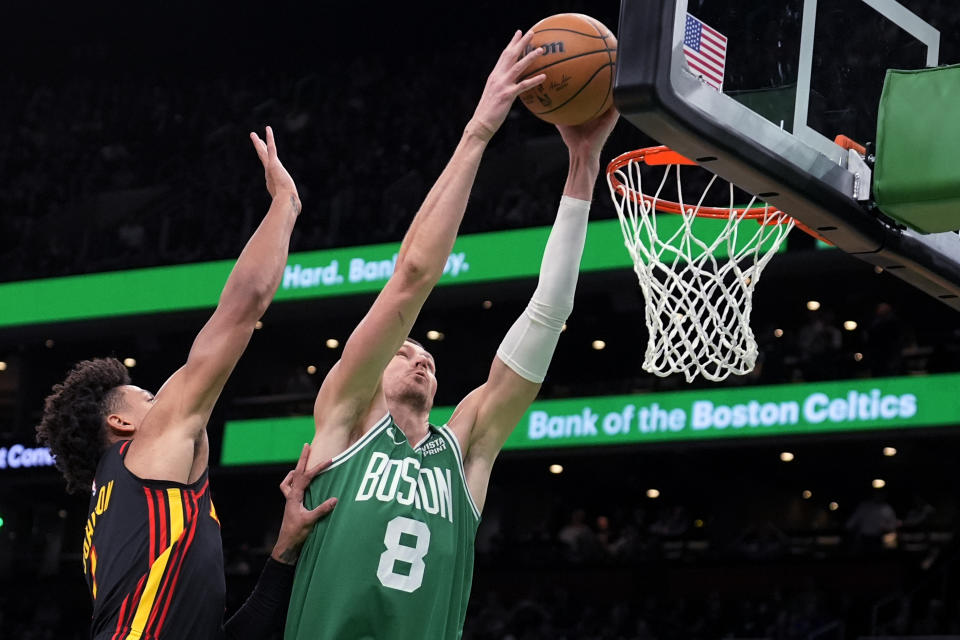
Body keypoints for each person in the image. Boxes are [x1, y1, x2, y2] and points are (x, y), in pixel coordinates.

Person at [284, 30, 619, 639]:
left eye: (426, 353)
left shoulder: (465, 451)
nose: (419, 356)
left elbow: (547, 316)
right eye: (405, 350)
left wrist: (583, 167)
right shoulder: (344, 418)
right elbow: (412, 275)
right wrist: (479, 131)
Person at [36, 128, 337, 639]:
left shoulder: (116, 520)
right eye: (150, 398)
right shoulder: (147, 452)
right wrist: (285, 203)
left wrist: (284, 552)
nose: (168, 399)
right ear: (122, 423)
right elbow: (241, 308)